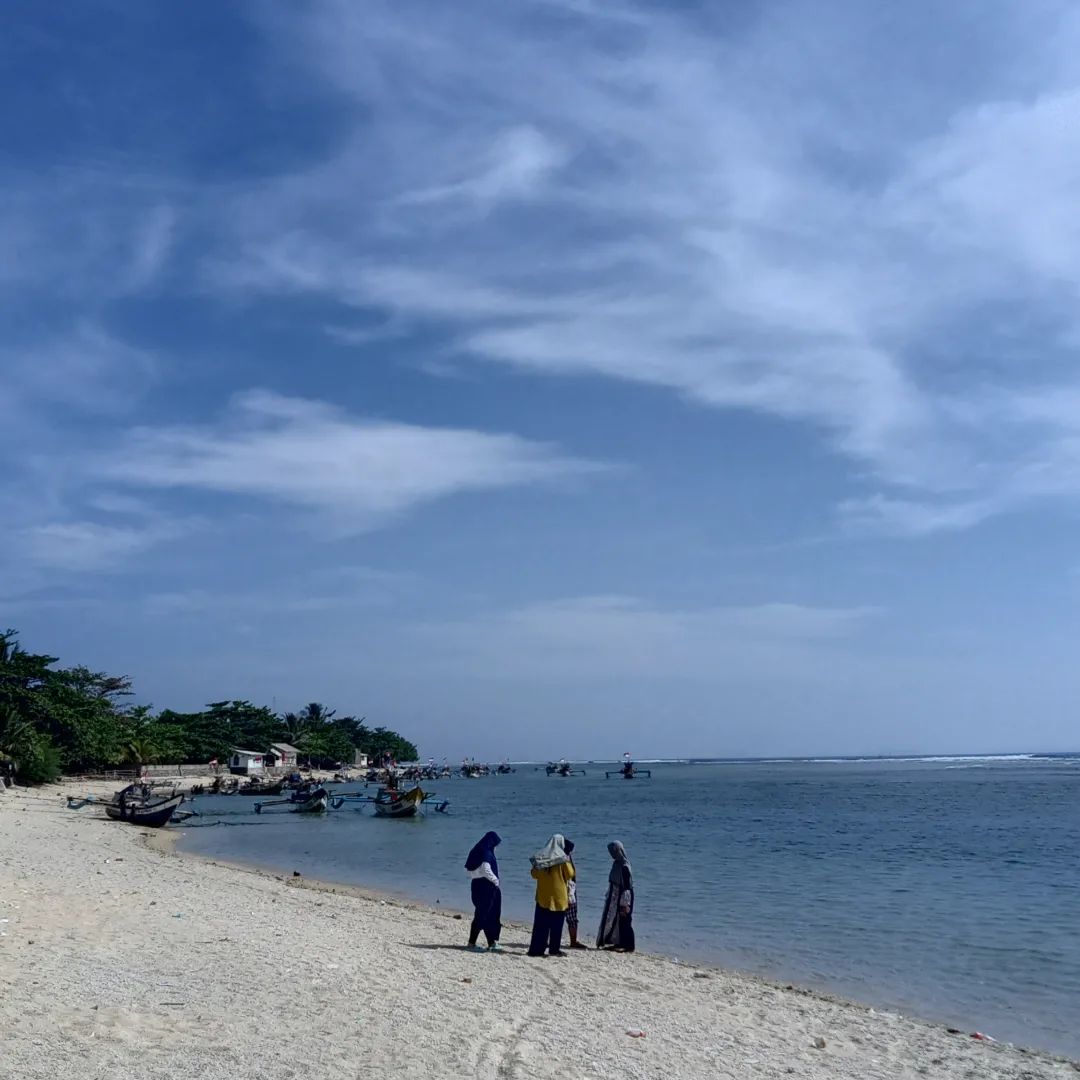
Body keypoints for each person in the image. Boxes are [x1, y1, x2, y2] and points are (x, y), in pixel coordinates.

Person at [527, 833, 575, 957]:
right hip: (559, 897)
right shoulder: (562, 859)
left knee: (540, 925)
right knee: (556, 926)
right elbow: (570, 874)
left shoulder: (541, 857)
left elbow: (534, 874)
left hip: (543, 896)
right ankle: (554, 949)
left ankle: (536, 950)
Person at [465, 831, 503, 951]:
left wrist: (479, 876)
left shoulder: (477, 851)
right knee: (484, 915)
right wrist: (495, 880)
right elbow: (486, 869)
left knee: (486, 915)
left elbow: (471, 871)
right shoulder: (486, 853)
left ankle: (491, 943)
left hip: (477, 886)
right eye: (495, 845)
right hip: (487, 888)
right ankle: (473, 943)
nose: (496, 848)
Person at [597, 841, 634, 953]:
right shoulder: (617, 864)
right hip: (615, 896)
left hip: (623, 897)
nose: (612, 854)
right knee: (616, 920)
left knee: (625, 921)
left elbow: (627, 887)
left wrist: (625, 904)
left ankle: (629, 946)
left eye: (613, 852)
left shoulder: (624, 866)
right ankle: (618, 942)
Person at [564, 839, 586, 949]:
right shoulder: (566, 860)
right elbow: (571, 877)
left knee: (555, 916)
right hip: (569, 891)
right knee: (572, 917)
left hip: (561, 891)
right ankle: (573, 941)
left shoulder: (559, 858)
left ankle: (548, 939)